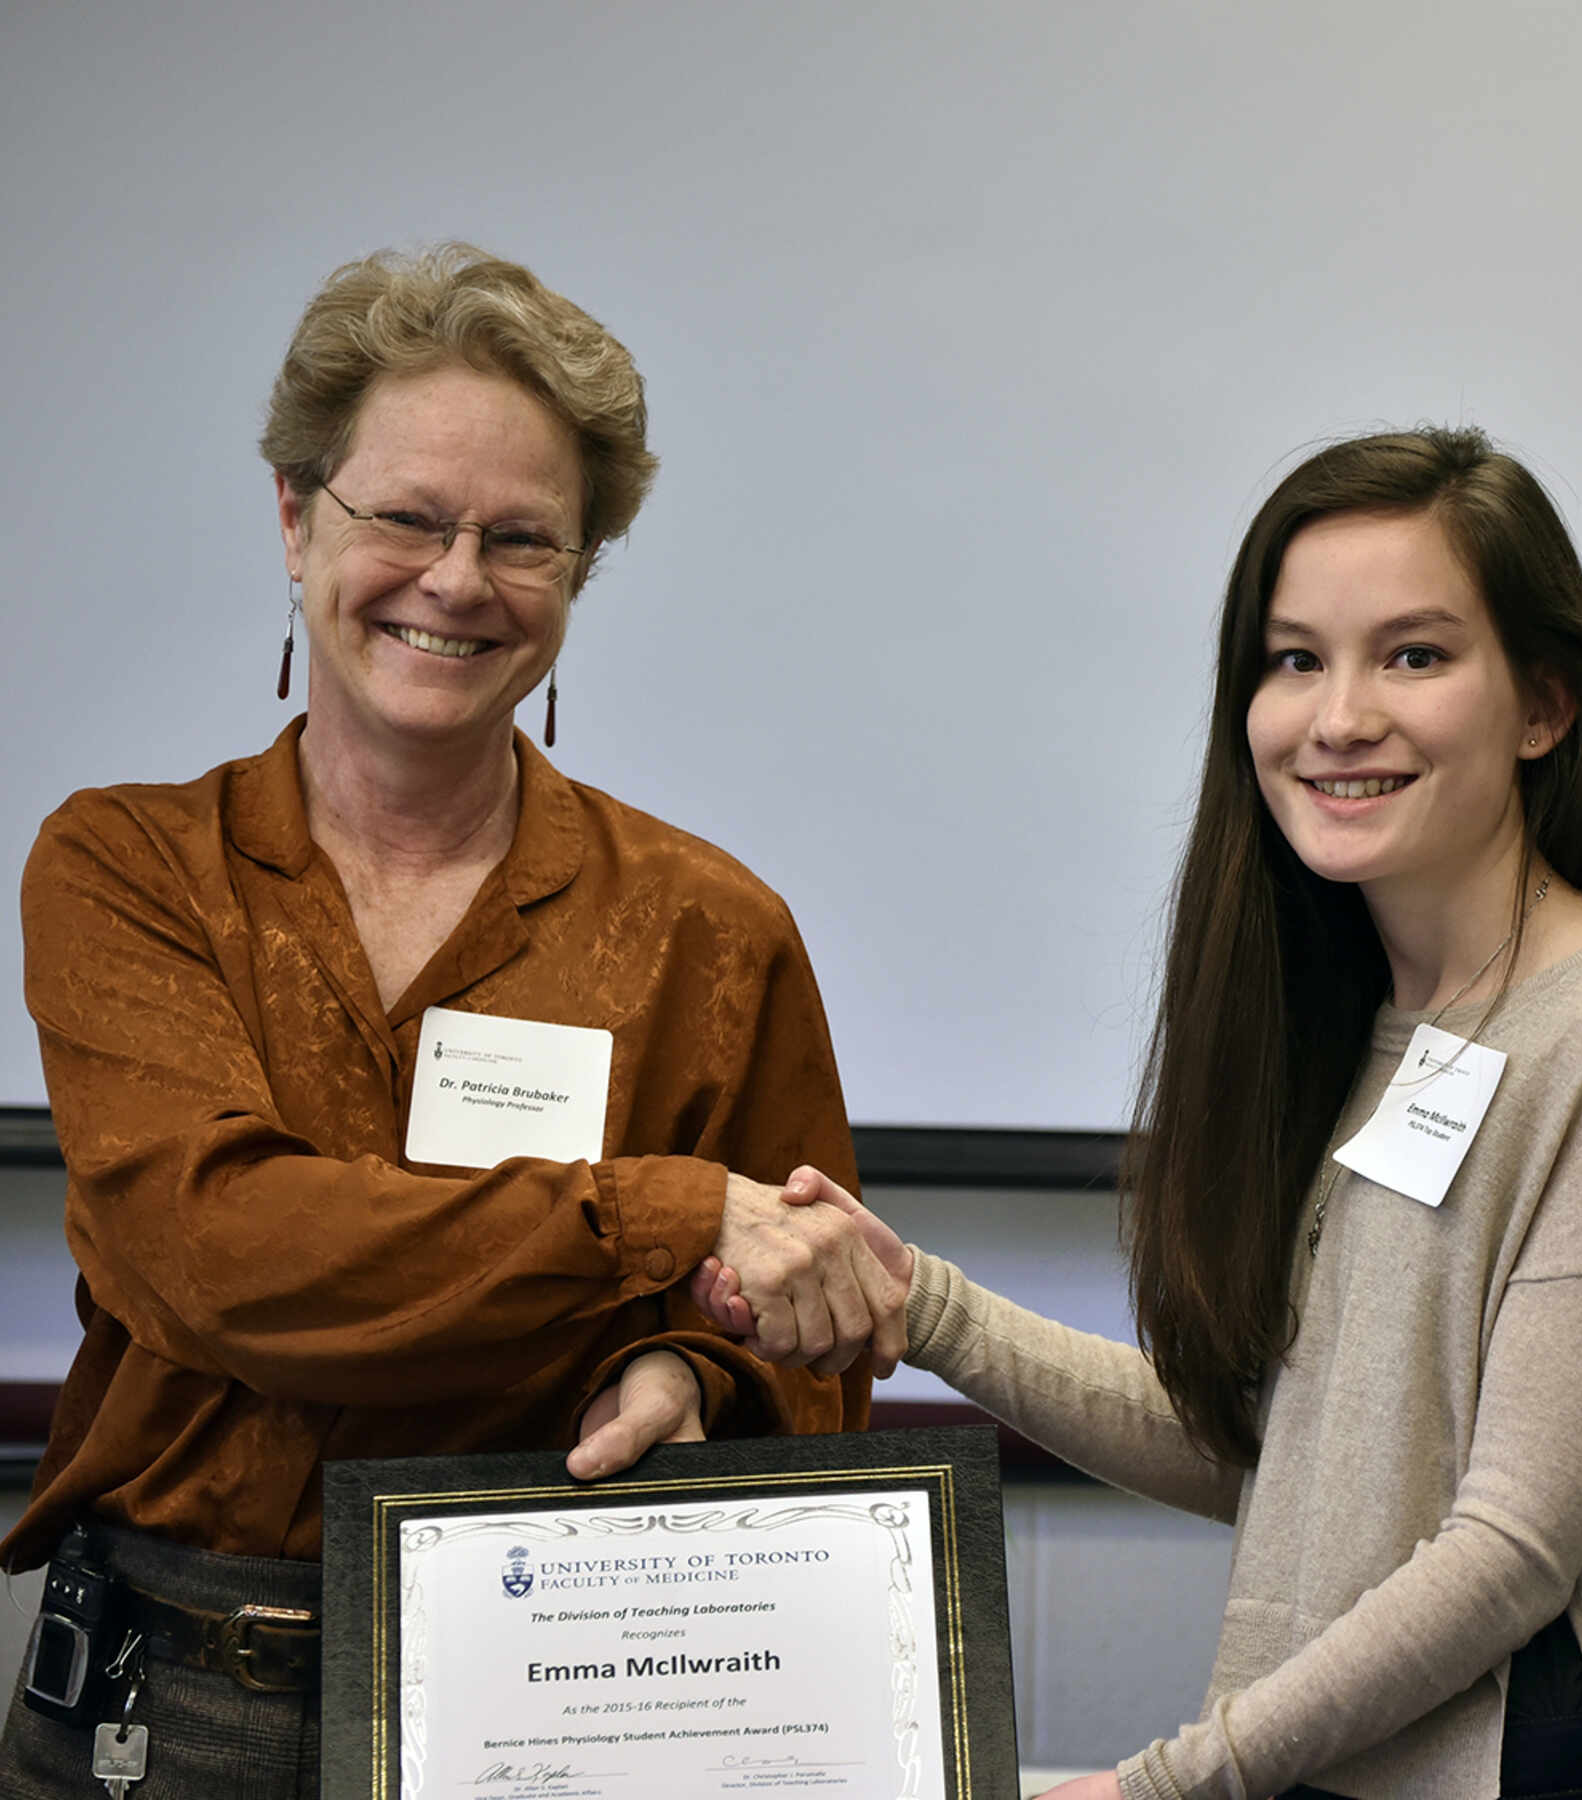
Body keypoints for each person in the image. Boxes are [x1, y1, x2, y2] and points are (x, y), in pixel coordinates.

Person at [698, 428, 1582, 1799]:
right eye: (1295, 658)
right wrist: (926, 1305)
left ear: (1544, 706)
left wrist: (1170, 1783)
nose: (1338, 717)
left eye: (1414, 656)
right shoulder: (1372, 1030)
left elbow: (1512, 1549)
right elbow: (1281, 1455)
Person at [0, 243, 904, 1795]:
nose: (458, 579)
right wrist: (662, 1216)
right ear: (294, 517)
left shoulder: (710, 930)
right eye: (407, 516)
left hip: (551, 1710)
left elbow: (815, 1335)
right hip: (169, 1704)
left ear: (578, 574)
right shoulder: (131, 868)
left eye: (524, 539)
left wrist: (697, 1373)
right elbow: (218, 1255)